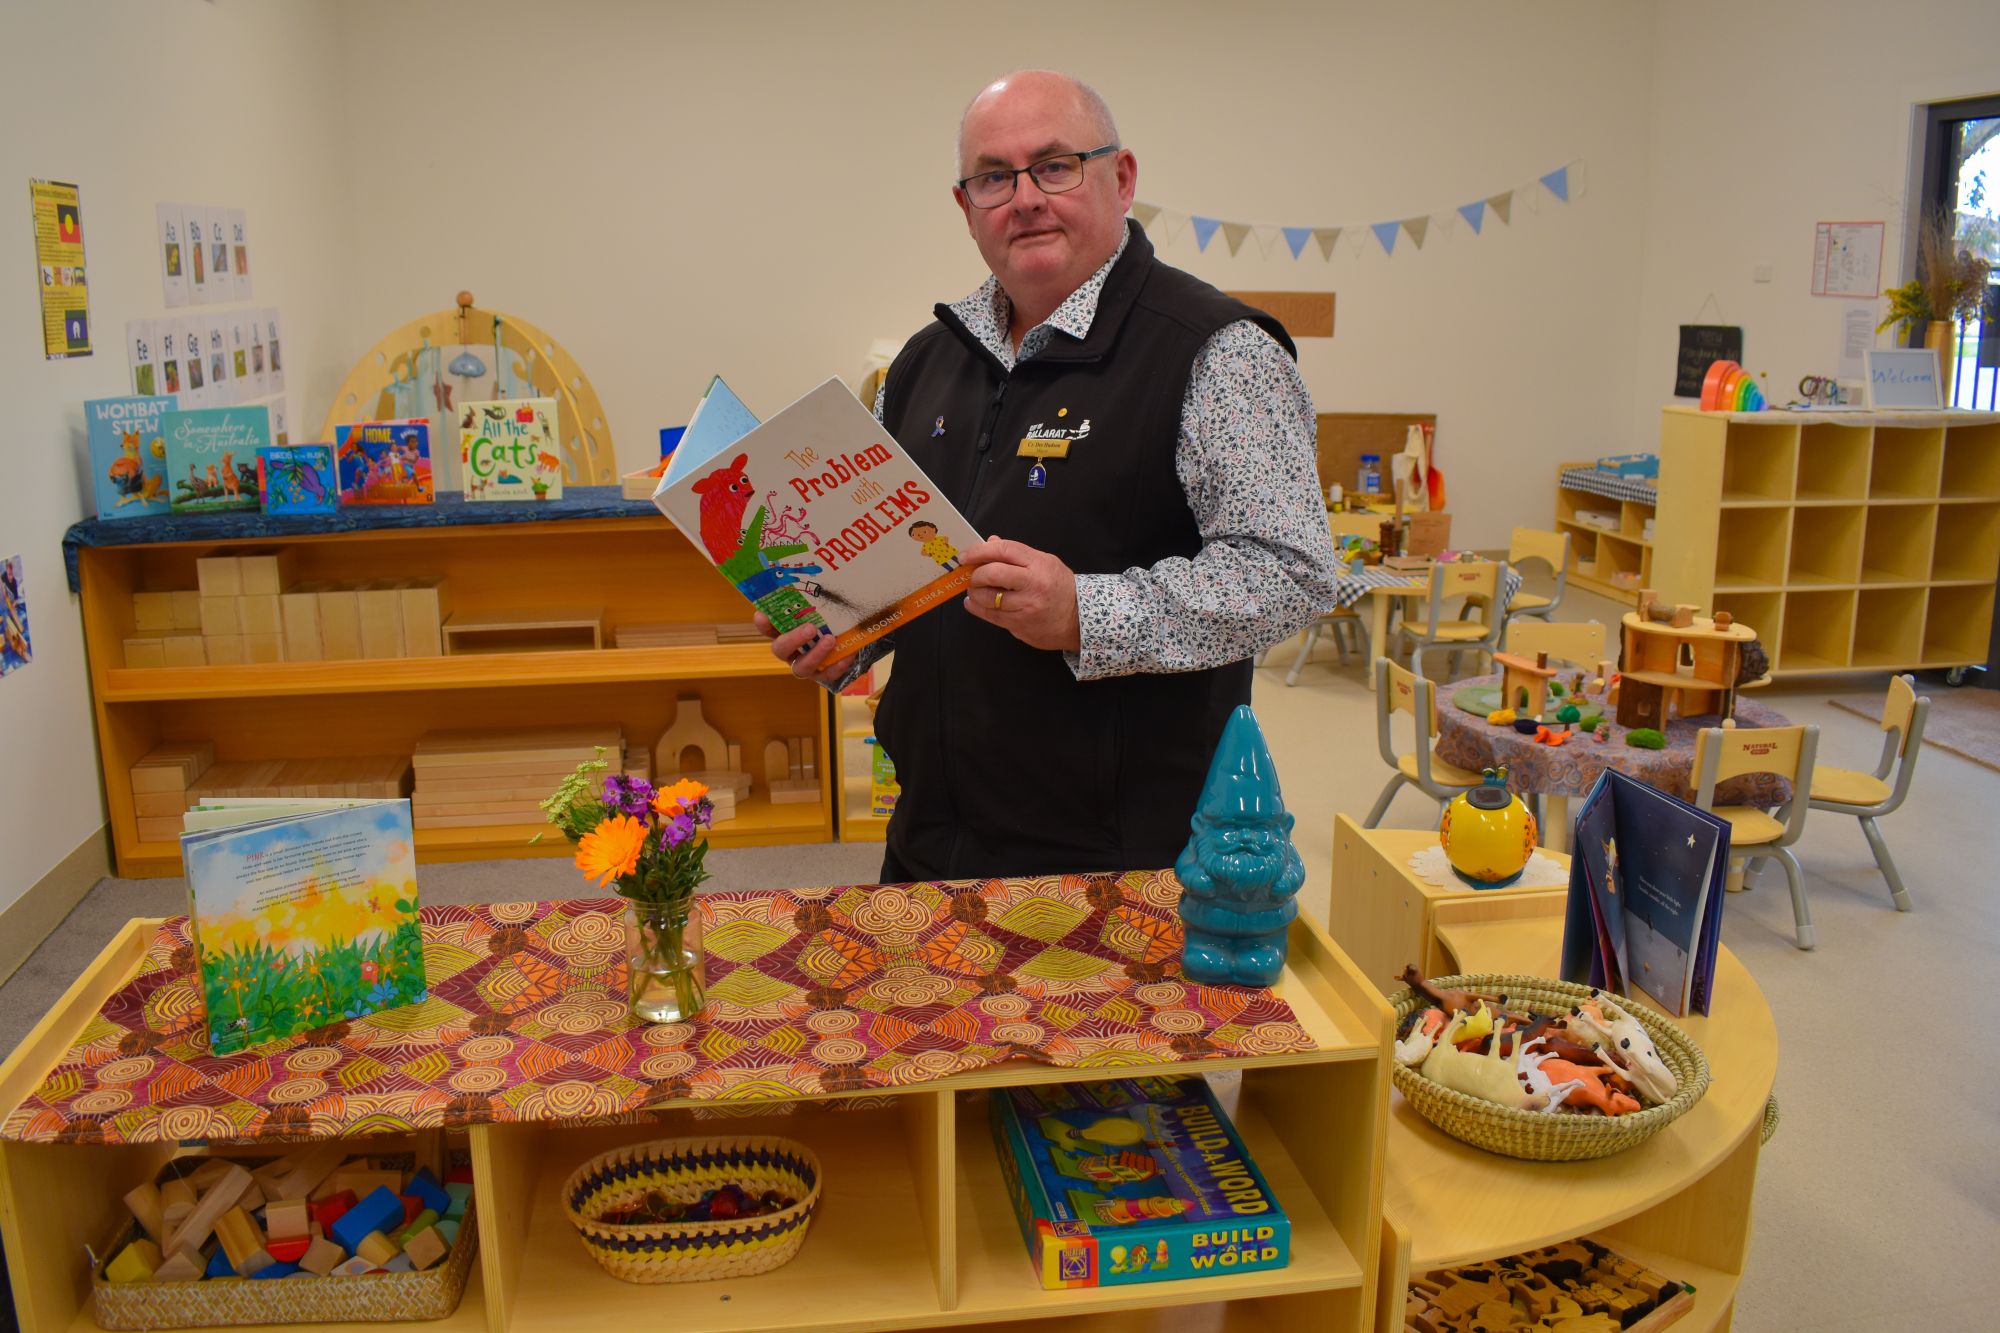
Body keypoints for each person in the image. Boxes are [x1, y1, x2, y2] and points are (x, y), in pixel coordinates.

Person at [763, 70, 1337, 882]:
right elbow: (911, 569)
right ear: (966, 207)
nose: (1024, 197)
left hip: (1121, 862)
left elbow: (1294, 575)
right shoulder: (922, 364)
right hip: (927, 840)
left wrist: (1085, 611)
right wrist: (847, 634)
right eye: (994, 176)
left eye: (1056, 165)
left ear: (1122, 177)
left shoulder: (1218, 351)